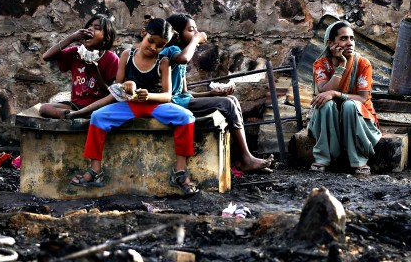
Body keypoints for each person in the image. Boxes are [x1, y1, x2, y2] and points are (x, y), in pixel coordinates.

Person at [71, 17, 198, 196]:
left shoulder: (163, 62)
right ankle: (95, 171)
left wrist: (149, 95)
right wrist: (127, 84)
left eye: (159, 46)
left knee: (186, 117)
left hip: (154, 106)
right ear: (144, 33)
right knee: (98, 117)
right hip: (129, 105)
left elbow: (167, 95)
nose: (153, 48)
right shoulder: (127, 55)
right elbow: (117, 85)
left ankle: (180, 171)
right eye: (151, 41)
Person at [160, 14, 273, 173]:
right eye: (191, 30)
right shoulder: (171, 51)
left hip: (181, 100)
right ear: (177, 33)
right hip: (172, 104)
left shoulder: (179, 55)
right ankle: (246, 159)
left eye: (196, 30)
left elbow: (185, 93)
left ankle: (242, 158)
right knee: (226, 103)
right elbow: (185, 60)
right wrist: (196, 40)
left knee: (231, 99)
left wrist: (211, 94)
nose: (196, 33)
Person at [308, 20, 382, 176]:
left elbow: (362, 98)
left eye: (352, 38)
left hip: (358, 119)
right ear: (330, 43)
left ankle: (358, 160)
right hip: (329, 120)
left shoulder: (363, 64)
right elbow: (323, 91)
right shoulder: (321, 64)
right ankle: (323, 157)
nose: (349, 43)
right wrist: (341, 65)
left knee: (350, 105)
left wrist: (336, 94)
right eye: (343, 38)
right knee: (325, 104)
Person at [39, 14, 118, 119]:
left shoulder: (111, 58)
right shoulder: (76, 52)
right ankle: (71, 115)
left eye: (97, 27)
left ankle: (82, 115)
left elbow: (111, 93)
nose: (90, 29)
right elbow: (46, 57)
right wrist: (72, 38)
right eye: (89, 26)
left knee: (99, 113)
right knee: (44, 108)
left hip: (98, 106)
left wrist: (96, 71)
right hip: (76, 105)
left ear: (106, 37)